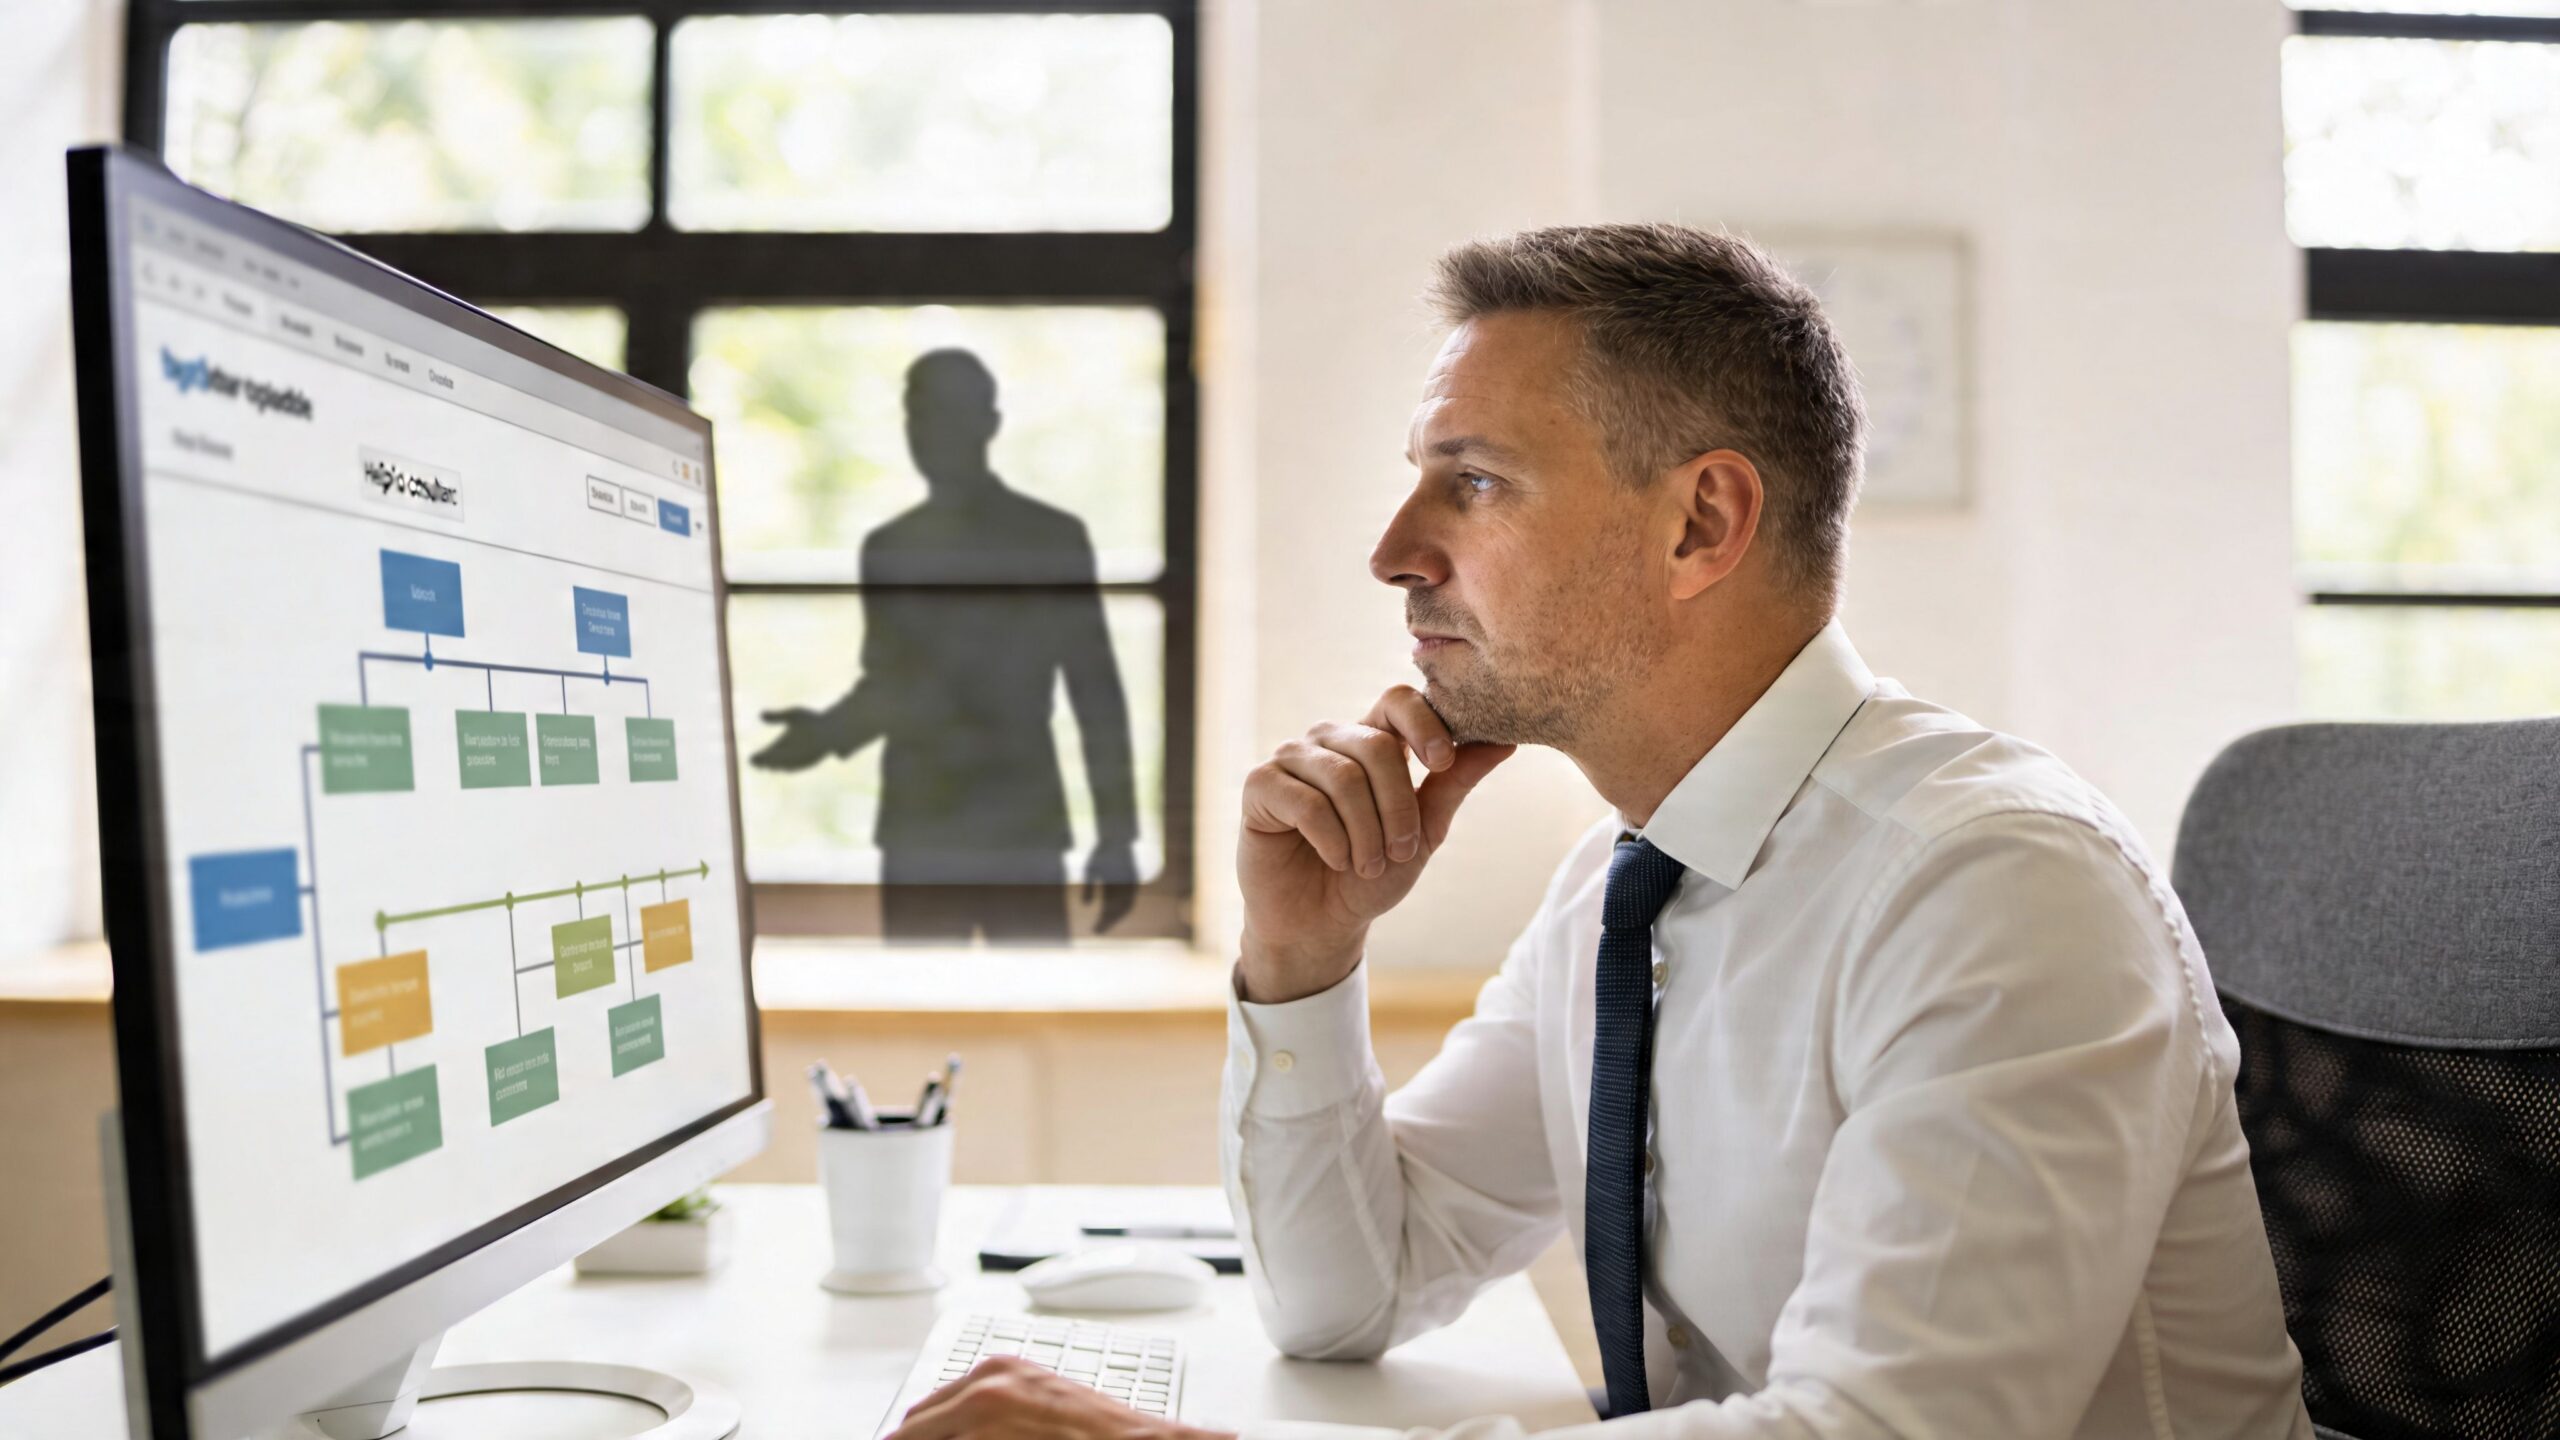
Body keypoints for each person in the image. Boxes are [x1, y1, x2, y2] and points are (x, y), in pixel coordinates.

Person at [884, 225, 2313, 1439]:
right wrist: (1304, 958)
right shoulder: (1624, 891)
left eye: (1477, 481)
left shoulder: (1994, 888)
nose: (1395, 548)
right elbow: (1346, 1294)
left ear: (1703, 522)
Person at [754, 349, 1140, 940]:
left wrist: (1117, 835)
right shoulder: (891, 547)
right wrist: (826, 733)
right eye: (918, 414)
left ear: (988, 422)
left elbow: (1095, 691)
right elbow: (893, 685)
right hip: (927, 835)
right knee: (921, 1024)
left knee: (1031, 1018)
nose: (928, 432)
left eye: (946, 413)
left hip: (1013, 834)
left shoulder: (1050, 539)